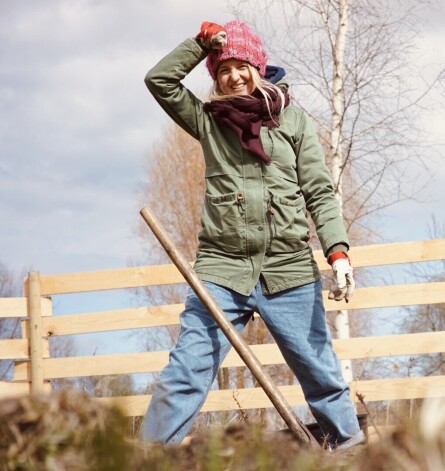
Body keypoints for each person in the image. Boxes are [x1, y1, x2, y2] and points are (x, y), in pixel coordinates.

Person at [139, 19, 364, 450]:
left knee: (320, 371)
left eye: (241, 65)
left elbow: (318, 189)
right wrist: (200, 45)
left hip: (289, 269)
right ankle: (146, 459)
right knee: (187, 370)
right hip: (223, 271)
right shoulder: (207, 121)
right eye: (223, 69)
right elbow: (160, 81)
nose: (233, 75)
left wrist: (338, 252)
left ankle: (353, 452)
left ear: (257, 67)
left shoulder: (293, 120)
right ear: (216, 77)